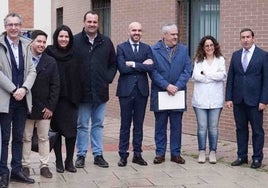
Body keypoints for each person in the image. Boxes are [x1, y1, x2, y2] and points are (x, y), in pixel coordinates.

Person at [74, 10, 117, 168]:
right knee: (82, 125)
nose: (92, 24)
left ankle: (98, 154)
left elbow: (113, 63)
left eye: (95, 22)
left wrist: (107, 78)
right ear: (84, 22)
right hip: (82, 92)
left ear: (98, 23)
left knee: (98, 124)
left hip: (100, 92)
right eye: (89, 21)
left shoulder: (106, 42)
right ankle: (81, 155)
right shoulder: (75, 41)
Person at [0, 13, 36, 187]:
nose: (13, 28)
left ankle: (16, 171)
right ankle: (2, 174)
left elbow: (32, 70)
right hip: (6, 100)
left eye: (16, 25)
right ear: (5, 26)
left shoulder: (27, 45)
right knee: (4, 138)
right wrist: (14, 89)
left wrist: (24, 89)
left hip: (22, 99)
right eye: (10, 25)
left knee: (18, 137)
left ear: (21, 26)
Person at [226, 28, 268, 169]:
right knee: (241, 129)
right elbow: (231, 77)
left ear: (253, 38)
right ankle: (241, 156)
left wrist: (264, 100)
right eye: (243, 37)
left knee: (257, 131)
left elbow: (266, 80)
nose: (245, 40)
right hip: (238, 100)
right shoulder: (236, 55)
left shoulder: (262, 55)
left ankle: (257, 158)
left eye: (248, 37)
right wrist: (228, 98)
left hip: (256, 101)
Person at [150, 23, 192, 165]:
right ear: (164, 35)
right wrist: (166, 85)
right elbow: (152, 71)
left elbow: (187, 70)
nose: (176, 37)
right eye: (173, 34)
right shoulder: (153, 50)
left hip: (177, 94)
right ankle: (160, 153)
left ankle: (176, 154)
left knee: (176, 125)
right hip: (161, 93)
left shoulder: (183, 50)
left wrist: (177, 86)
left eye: (176, 34)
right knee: (160, 125)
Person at [22, 30, 60, 178]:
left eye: (44, 42)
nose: (42, 44)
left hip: (45, 109)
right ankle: (25, 165)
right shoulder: (24, 60)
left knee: (44, 138)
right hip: (26, 106)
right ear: (31, 42)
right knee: (26, 137)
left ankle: (44, 166)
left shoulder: (50, 61)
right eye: (39, 41)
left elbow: (55, 85)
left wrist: (51, 107)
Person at [45, 25, 82, 173]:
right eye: (61, 36)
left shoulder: (75, 53)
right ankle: (59, 161)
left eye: (66, 36)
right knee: (57, 132)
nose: (64, 39)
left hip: (71, 99)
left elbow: (81, 75)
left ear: (70, 38)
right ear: (56, 37)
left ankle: (69, 161)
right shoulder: (49, 52)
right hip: (54, 100)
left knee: (71, 132)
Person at [116, 22, 154, 167]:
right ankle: (123, 154)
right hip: (125, 91)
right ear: (128, 32)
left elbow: (151, 66)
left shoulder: (146, 48)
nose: (137, 32)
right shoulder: (121, 47)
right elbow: (122, 68)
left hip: (141, 92)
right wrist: (141, 65)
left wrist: (132, 64)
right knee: (125, 124)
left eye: (139, 30)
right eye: (134, 30)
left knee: (139, 124)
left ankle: (137, 154)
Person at [192, 36, 226, 164]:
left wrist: (206, 75)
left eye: (211, 45)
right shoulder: (198, 60)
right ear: (203, 47)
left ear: (215, 46)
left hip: (216, 100)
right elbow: (195, 76)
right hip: (200, 100)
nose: (209, 48)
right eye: (206, 46)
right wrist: (213, 76)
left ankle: (212, 152)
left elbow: (222, 75)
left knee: (213, 127)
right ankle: (201, 151)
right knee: (202, 127)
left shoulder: (220, 60)